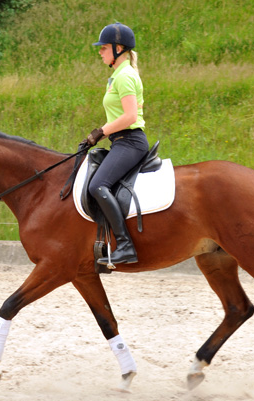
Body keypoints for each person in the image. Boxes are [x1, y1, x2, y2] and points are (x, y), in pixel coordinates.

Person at [85, 22, 149, 266]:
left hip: (130, 141)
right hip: (121, 140)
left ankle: (125, 244)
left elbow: (130, 116)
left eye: (103, 48)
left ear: (118, 48)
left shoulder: (125, 76)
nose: (100, 52)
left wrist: (99, 132)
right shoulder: (116, 77)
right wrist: (98, 136)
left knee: (98, 185)